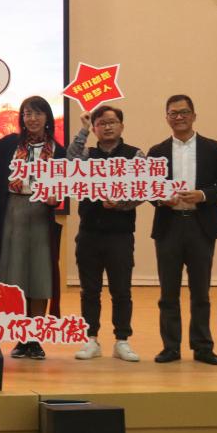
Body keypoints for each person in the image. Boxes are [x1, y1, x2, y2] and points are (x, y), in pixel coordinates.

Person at [0, 96, 65, 360]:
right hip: (11, 214)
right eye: (27, 114)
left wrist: (57, 198)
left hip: (41, 217)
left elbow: (66, 185)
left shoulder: (58, 150)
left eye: (37, 113)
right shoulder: (10, 144)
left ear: (47, 117)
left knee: (40, 276)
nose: (32, 119)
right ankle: (21, 338)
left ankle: (35, 339)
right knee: (14, 279)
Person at [148, 94, 217, 366]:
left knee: (200, 292)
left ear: (194, 115)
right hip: (169, 226)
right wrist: (161, 199)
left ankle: (202, 347)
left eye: (184, 112)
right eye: (173, 113)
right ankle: (170, 347)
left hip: (201, 225)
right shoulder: (157, 151)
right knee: (168, 292)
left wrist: (203, 195)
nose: (179, 117)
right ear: (166, 118)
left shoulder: (212, 148)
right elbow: (147, 189)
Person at [67, 105, 144, 363]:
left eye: (112, 122)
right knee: (89, 290)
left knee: (121, 290)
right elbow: (69, 161)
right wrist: (82, 129)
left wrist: (121, 204)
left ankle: (122, 340)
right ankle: (91, 339)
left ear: (122, 126)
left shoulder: (135, 155)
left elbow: (144, 190)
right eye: (101, 123)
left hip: (120, 235)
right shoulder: (87, 154)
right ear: (95, 128)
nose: (107, 127)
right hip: (89, 233)